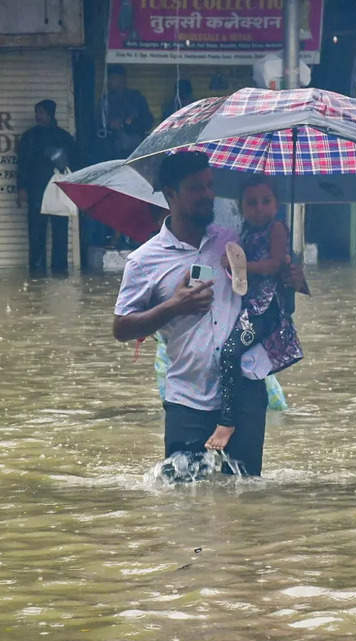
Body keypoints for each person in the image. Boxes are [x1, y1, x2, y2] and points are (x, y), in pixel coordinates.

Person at [112, 152, 305, 477]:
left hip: (244, 396)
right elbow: (121, 328)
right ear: (170, 194)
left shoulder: (235, 240)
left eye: (210, 185)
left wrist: (292, 279)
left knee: (245, 499)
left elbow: (270, 296)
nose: (207, 195)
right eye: (195, 188)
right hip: (187, 399)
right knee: (185, 507)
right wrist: (174, 306)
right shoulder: (144, 261)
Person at [205, 177, 303, 451]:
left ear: (277, 204)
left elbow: (272, 265)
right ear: (241, 207)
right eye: (251, 203)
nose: (259, 208)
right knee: (228, 354)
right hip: (248, 307)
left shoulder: (278, 229)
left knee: (229, 352)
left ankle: (227, 420)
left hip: (265, 309)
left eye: (266, 201)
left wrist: (244, 266)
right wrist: (230, 265)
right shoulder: (244, 233)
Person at [17, 99, 77, 276]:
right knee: (36, 232)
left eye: (41, 112)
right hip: (36, 191)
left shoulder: (64, 137)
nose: (38, 116)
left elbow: (74, 163)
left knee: (60, 231)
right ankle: (36, 271)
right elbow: (22, 164)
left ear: (50, 114)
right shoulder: (29, 136)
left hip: (59, 190)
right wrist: (21, 188)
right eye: (37, 112)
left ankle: (60, 270)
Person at [97, 65, 153, 160]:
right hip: (112, 151)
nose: (110, 82)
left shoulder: (136, 98)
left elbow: (148, 121)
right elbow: (98, 125)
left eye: (114, 78)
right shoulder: (105, 101)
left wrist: (129, 122)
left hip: (135, 149)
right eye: (109, 79)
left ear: (122, 79)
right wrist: (109, 124)